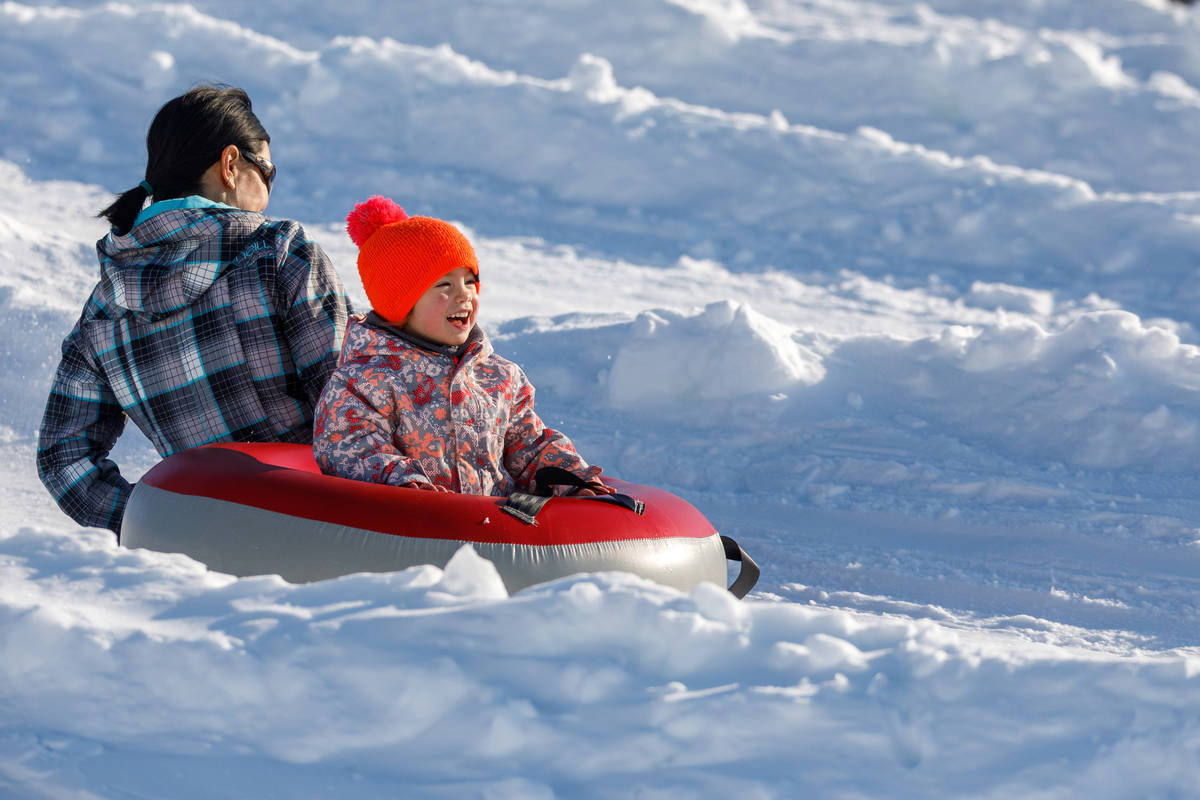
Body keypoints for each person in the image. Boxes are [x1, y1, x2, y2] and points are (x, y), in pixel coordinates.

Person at [37, 84, 351, 536]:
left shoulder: (104, 309)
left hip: (214, 564)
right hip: (335, 534)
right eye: (267, 171)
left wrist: (165, 524)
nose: (268, 192)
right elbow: (352, 407)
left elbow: (63, 457)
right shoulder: (277, 253)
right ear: (229, 165)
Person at [313, 196, 612, 498]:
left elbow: (529, 448)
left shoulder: (499, 377)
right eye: (444, 285)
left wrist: (572, 481)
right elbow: (352, 448)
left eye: (470, 281)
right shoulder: (363, 381)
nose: (464, 295)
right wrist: (407, 487)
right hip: (412, 532)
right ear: (400, 305)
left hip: (495, 534)